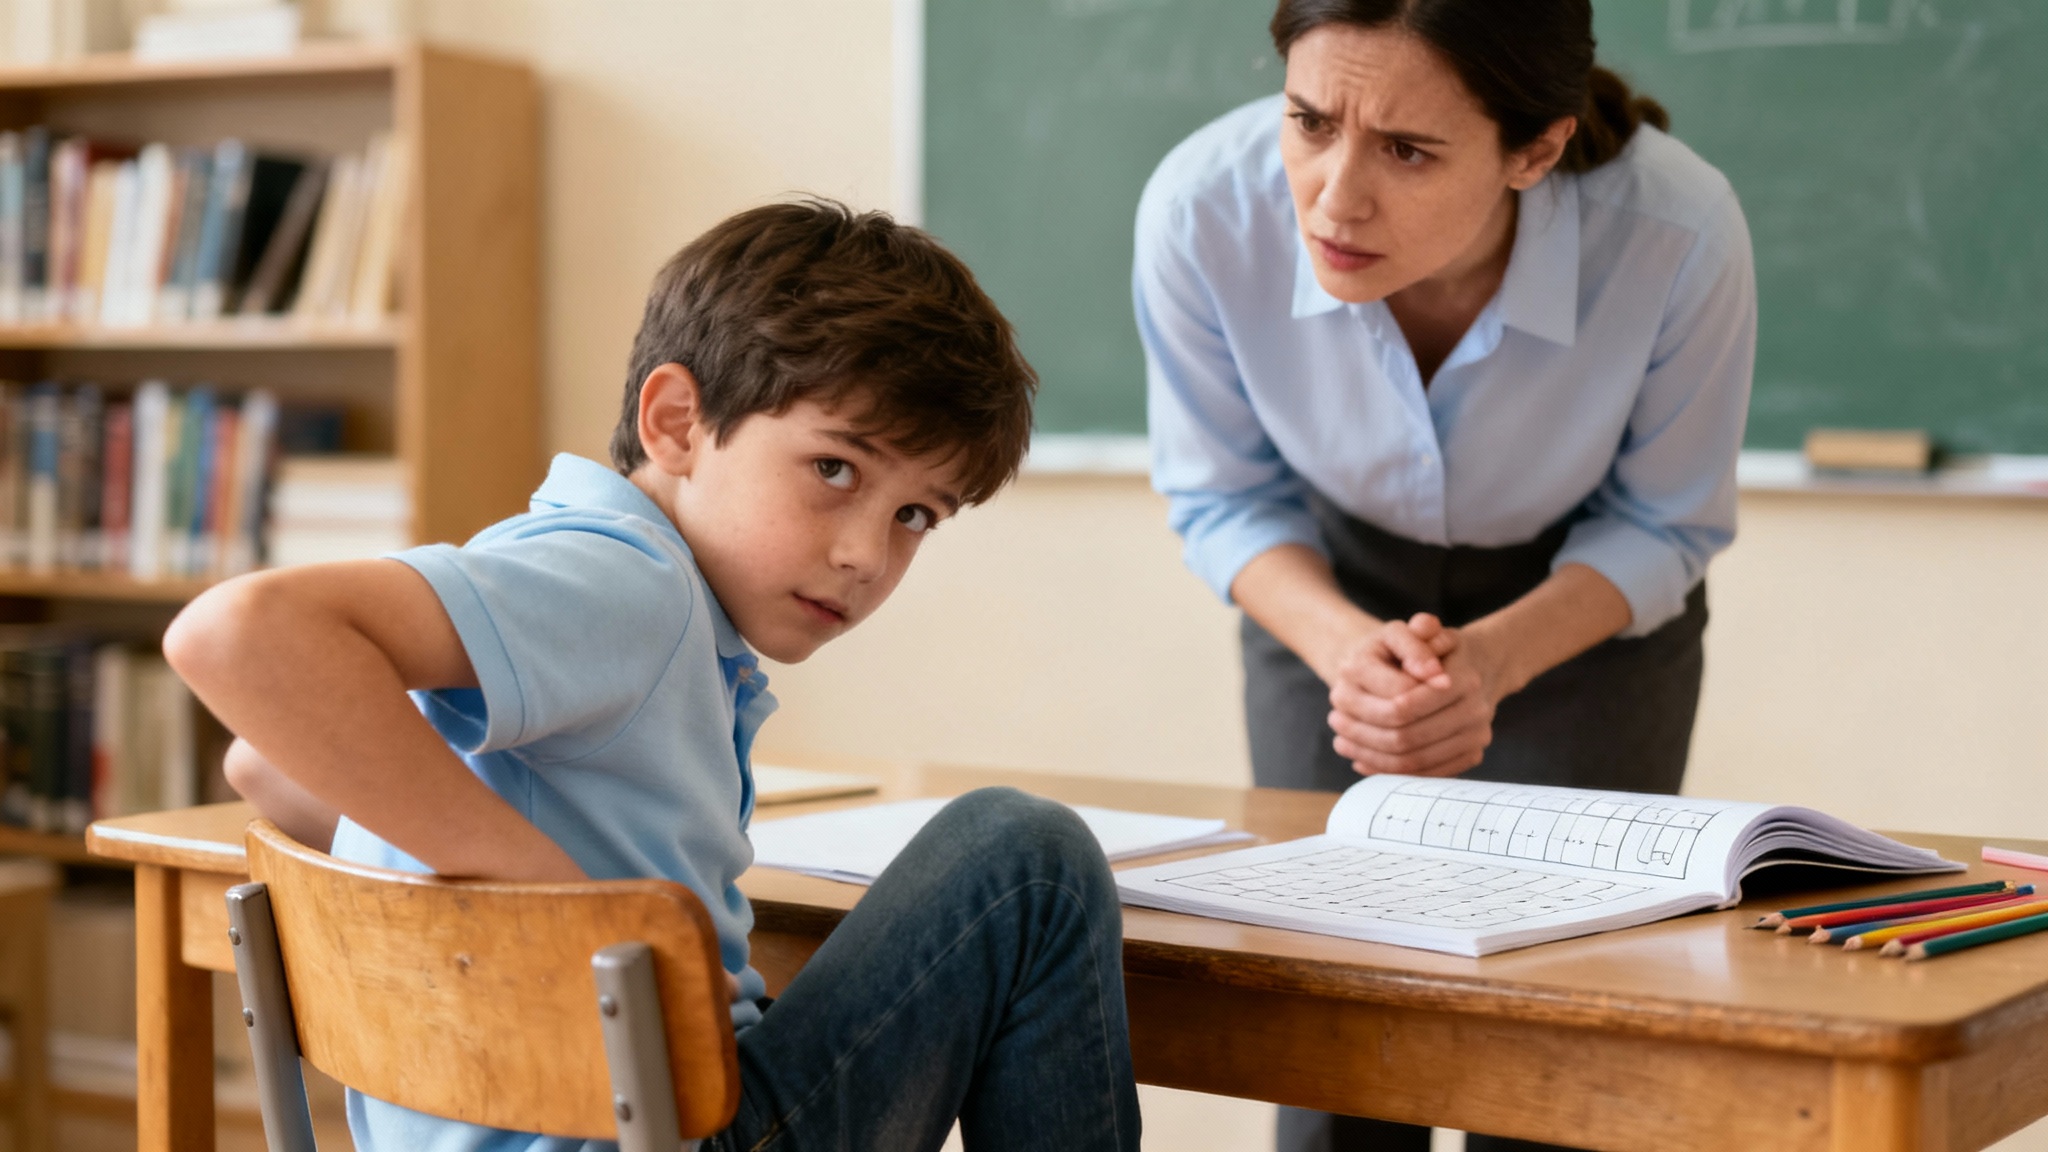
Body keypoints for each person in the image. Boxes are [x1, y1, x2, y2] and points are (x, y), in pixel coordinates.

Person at [166, 200, 1142, 1152]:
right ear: (676, 423)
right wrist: (554, 905)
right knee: (1027, 862)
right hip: (660, 1129)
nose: (865, 555)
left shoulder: (582, 572)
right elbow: (237, 635)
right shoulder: (629, 585)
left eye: (914, 516)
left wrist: (468, 879)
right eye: (836, 470)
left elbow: (263, 762)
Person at [1134, 0, 1755, 1149]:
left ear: (1535, 150)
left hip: (1587, 609)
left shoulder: (1676, 231)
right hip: (1322, 579)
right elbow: (1222, 498)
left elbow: (1663, 522)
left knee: (1556, 1019)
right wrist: (1339, 649)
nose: (1333, 195)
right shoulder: (1199, 209)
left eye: (1406, 151)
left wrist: (1496, 660)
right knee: (1329, 1012)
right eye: (1309, 122)